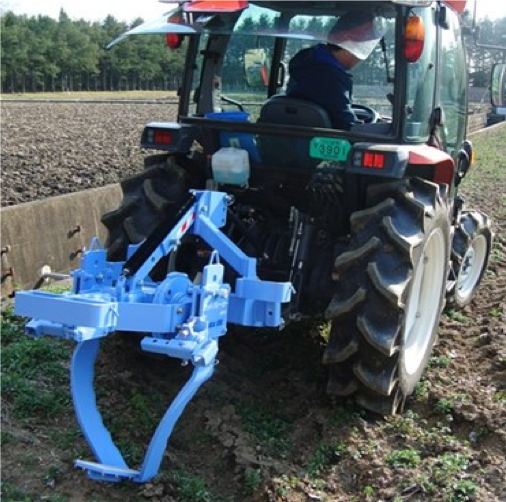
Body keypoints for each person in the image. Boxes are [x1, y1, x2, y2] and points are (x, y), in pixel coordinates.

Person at [286, 11, 385, 131]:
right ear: (348, 45)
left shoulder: (305, 64)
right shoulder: (331, 79)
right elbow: (348, 127)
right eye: (362, 45)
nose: (360, 58)